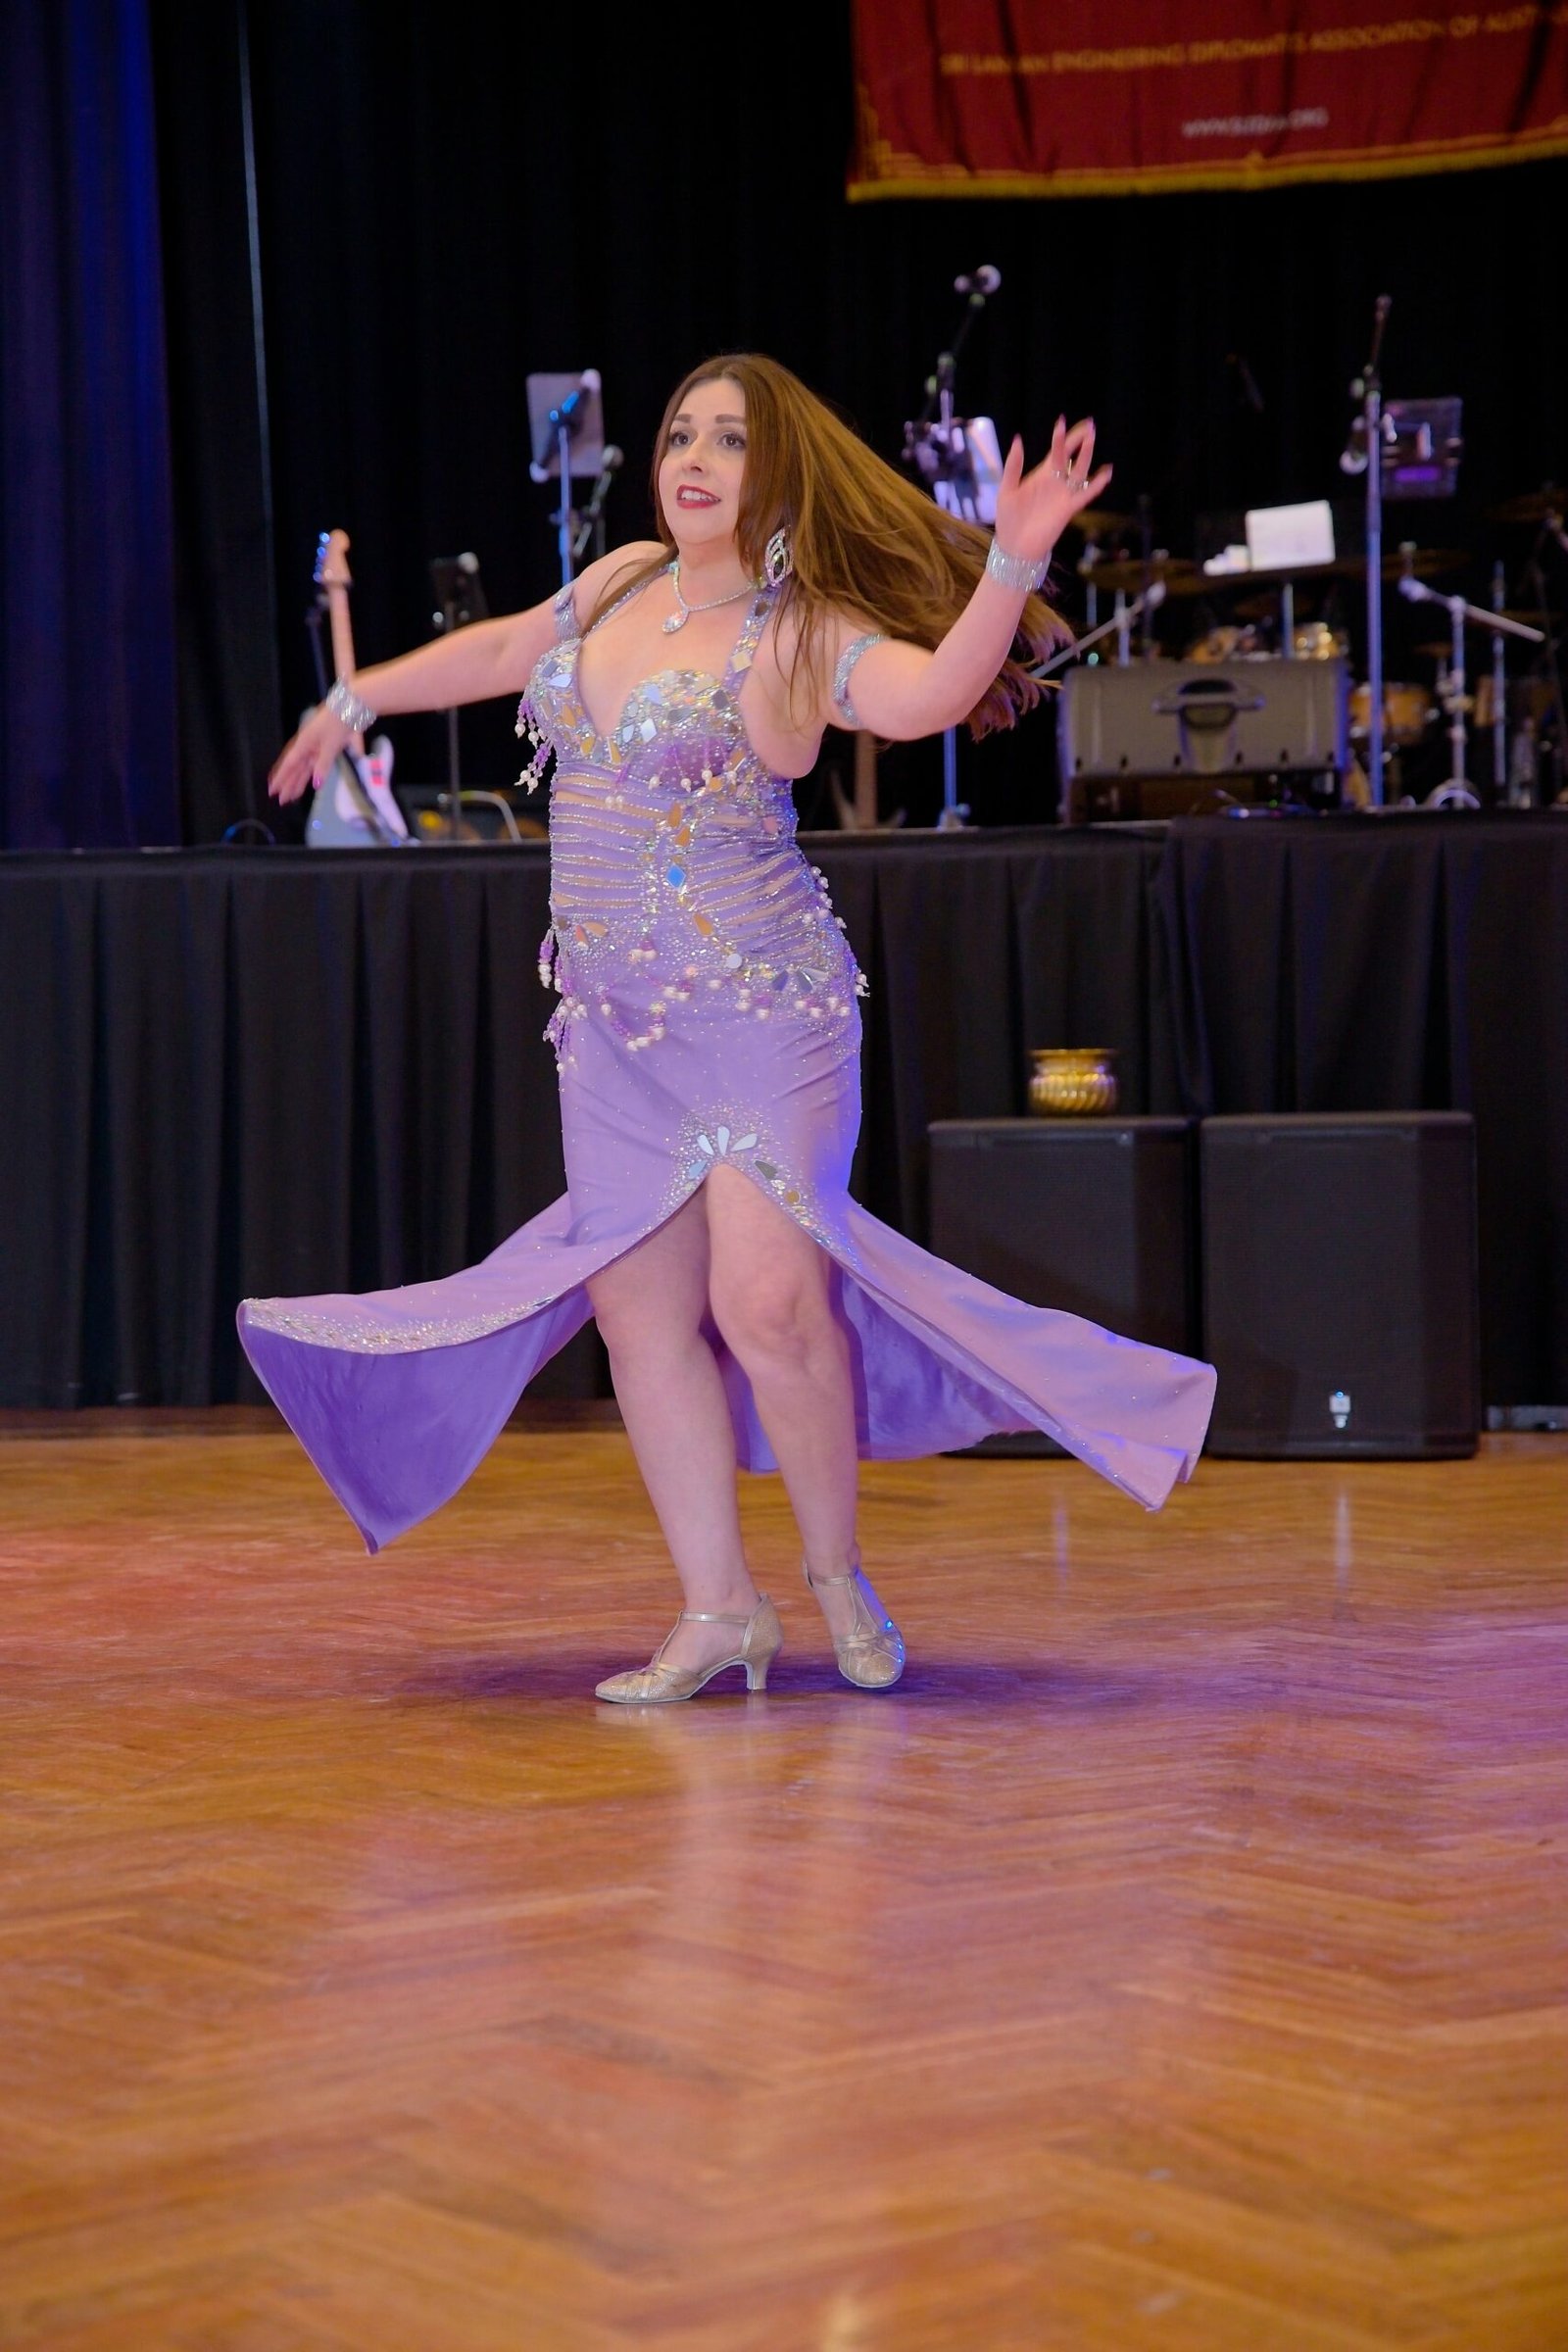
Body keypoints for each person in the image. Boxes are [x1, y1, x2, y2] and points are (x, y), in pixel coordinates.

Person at [248, 352, 1216, 1703]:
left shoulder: (797, 629)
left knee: (768, 1304)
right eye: (679, 435)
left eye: (729, 440)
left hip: (766, 1010)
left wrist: (1012, 559)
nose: (694, 459)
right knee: (638, 1315)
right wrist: (356, 696)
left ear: (778, 474)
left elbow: (929, 698)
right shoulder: (620, 580)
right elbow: (505, 649)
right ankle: (719, 1610)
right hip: (614, 1029)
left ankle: (836, 1574)